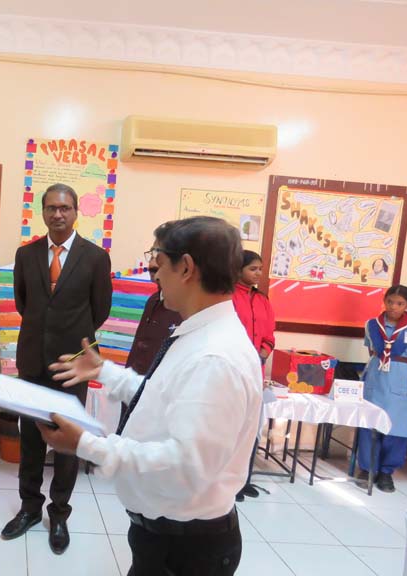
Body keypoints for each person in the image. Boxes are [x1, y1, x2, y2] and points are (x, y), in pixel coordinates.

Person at [40, 216, 262, 576]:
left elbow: (185, 465)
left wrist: (88, 445)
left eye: (158, 260)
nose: (154, 273)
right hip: (163, 536)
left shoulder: (216, 357)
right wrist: (105, 372)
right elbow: (162, 399)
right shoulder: (199, 333)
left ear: (186, 267)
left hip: (186, 549)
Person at [2, 183, 112, 554]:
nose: (58, 214)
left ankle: (59, 513)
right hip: (32, 359)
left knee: (68, 441)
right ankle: (29, 508)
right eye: (51, 208)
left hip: (72, 365)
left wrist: (70, 337)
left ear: (76, 211)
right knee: (31, 438)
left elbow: (100, 309)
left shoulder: (95, 257)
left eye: (64, 208)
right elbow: (24, 304)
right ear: (43, 212)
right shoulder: (26, 254)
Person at [357, 285, 407, 493]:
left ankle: (386, 471)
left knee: (397, 427)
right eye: (390, 301)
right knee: (369, 424)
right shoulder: (372, 325)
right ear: (384, 301)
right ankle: (367, 468)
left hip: (402, 379)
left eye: (400, 303)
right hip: (376, 376)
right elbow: (371, 349)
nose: (393, 307)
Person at [231, 249, 276, 502]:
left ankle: (244, 480)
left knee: (251, 428)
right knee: (233, 429)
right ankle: (228, 485)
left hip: (255, 372)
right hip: (234, 371)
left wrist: (263, 352)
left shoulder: (262, 299)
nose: (259, 273)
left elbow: (269, 335)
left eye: (260, 269)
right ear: (238, 270)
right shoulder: (227, 296)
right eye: (253, 269)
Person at [125, 251, 182, 376]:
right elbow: (138, 346)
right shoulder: (153, 300)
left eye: (158, 256)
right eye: (151, 256)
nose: (152, 263)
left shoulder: (184, 308)